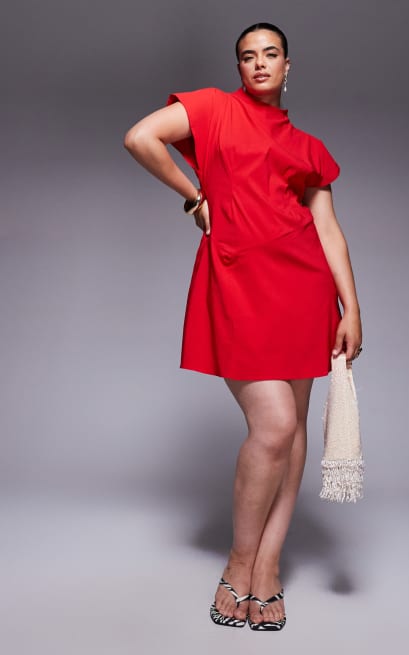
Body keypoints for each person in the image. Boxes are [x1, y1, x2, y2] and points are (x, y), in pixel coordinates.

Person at [124, 22, 362, 632]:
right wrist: (194, 195)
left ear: (287, 65)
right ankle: (238, 561)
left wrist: (352, 306)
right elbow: (141, 137)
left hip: (304, 291)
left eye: (270, 54)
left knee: (294, 429)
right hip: (235, 283)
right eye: (248, 56)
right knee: (274, 425)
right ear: (239, 68)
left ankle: (269, 565)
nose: (259, 64)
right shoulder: (214, 109)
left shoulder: (308, 146)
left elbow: (327, 229)